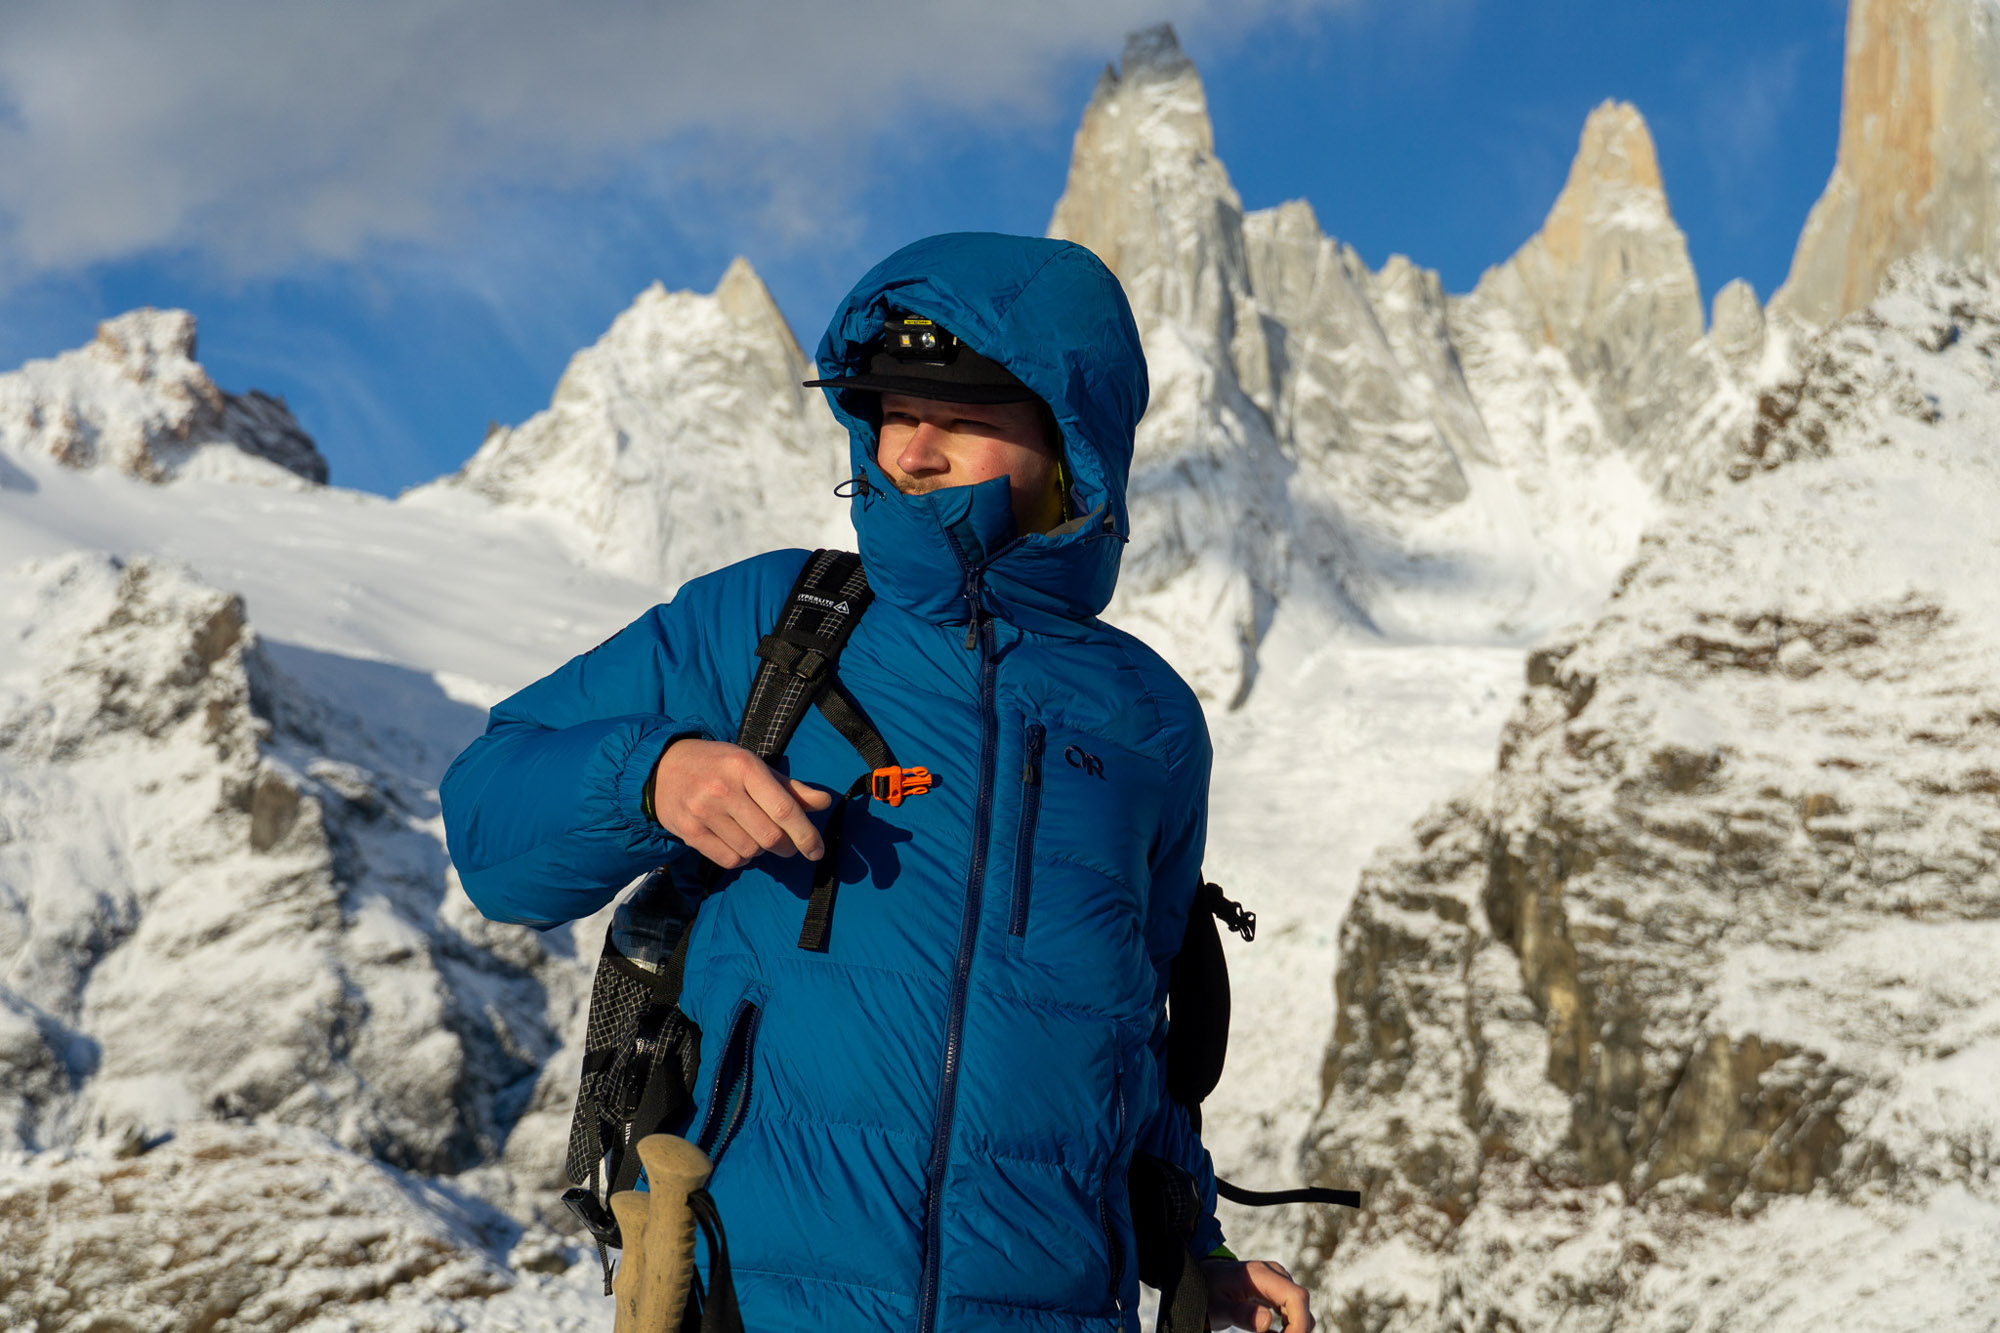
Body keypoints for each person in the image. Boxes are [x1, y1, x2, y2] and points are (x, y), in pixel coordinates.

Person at [441, 232, 1313, 1333]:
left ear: (1070, 439)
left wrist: (1202, 1251)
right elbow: (487, 822)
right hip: (756, 1302)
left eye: (960, 414)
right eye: (894, 411)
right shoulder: (771, 626)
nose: (913, 449)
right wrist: (651, 777)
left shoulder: (1147, 722)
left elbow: (1130, 1041)